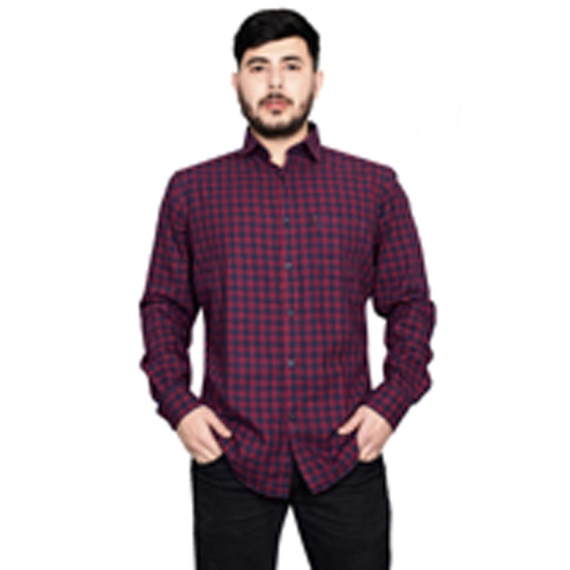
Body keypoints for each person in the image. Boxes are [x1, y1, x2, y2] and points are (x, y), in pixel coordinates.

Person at [140, 8, 435, 570]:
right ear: (236, 81)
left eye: (291, 66)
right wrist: (179, 405)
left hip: (344, 451)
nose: (275, 83)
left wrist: (391, 402)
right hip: (231, 453)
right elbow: (164, 307)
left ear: (317, 80)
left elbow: (411, 304)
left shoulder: (374, 188)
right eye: (259, 68)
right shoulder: (192, 191)